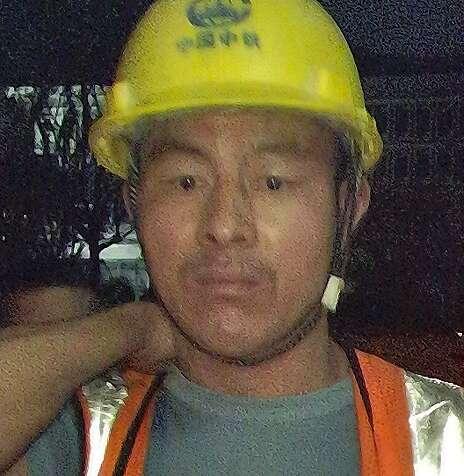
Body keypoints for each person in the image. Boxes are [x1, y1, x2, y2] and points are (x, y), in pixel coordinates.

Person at [4, 1, 464, 475]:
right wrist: (130, 329)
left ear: (348, 206)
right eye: (187, 181)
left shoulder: (446, 440)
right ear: (134, 204)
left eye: (273, 182)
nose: (224, 226)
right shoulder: (77, 440)